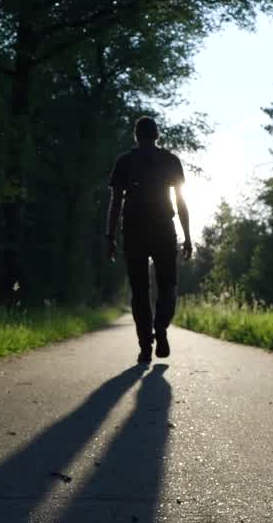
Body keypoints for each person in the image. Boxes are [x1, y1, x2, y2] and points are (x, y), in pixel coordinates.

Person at [106, 116, 193, 364]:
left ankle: (145, 347)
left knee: (140, 291)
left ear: (136, 136)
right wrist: (187, 237)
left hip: (133, 230)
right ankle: (161, 328)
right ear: (157, 135)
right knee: (168, 286)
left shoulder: (124, 161)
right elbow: (181, 201)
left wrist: (110, 236)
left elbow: (115, 203)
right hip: (163, 229)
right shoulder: (170, 160)